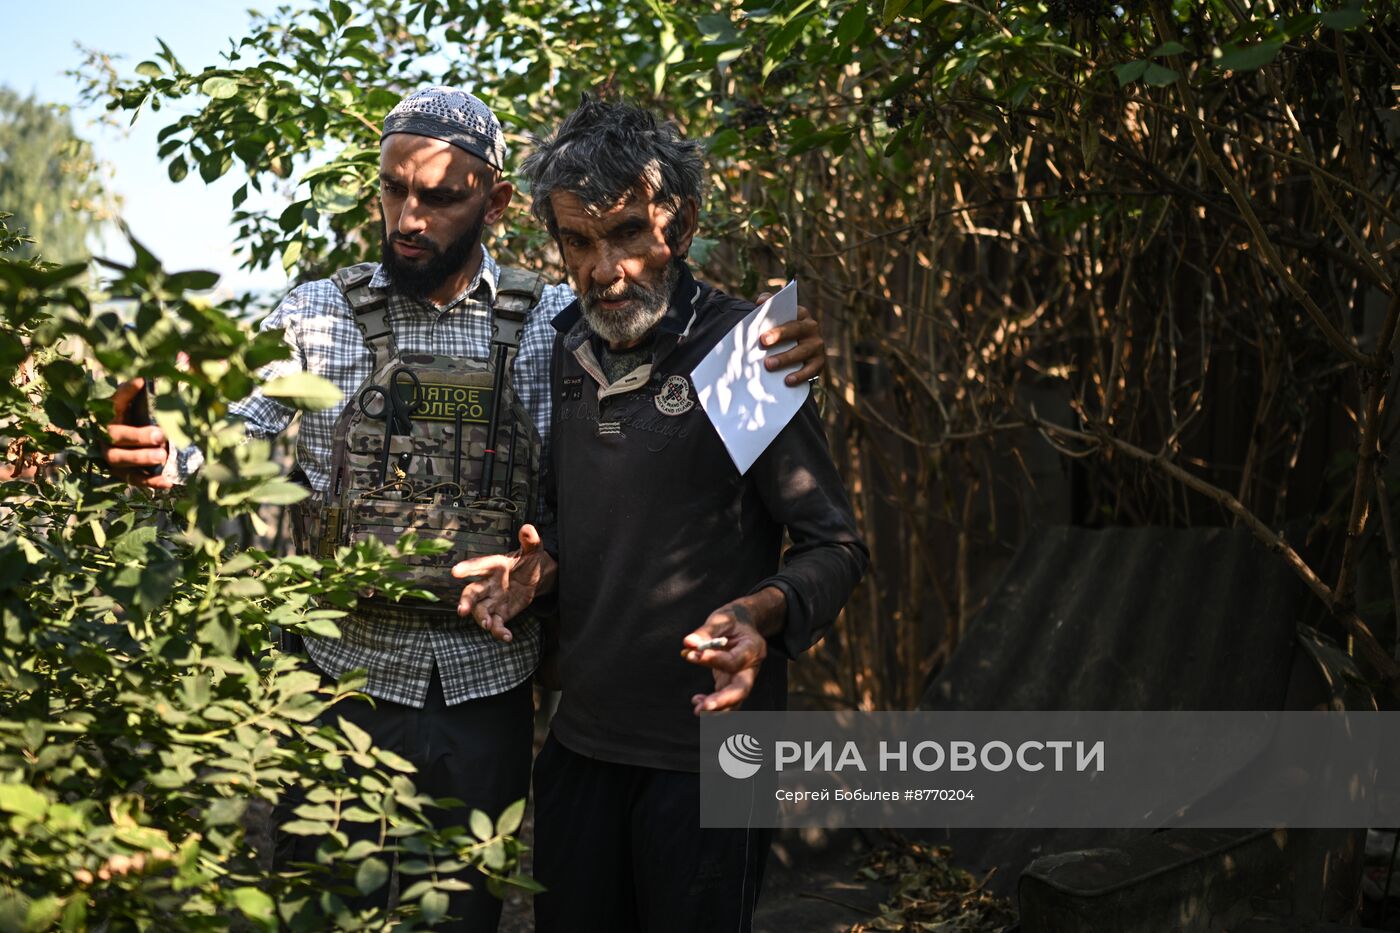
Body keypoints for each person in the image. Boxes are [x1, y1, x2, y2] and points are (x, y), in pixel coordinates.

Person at [100, 87, 828, 930]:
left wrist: (778, 348)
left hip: (489, 692)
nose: (409, 217)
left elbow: (658, 356)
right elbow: (236, 447)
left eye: (441, 196)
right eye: (393, 190)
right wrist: (168, 461)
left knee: (461, 913)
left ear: (497, 200)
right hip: (338, 680)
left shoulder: (557, 321)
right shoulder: (317, 314)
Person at [453, 96, 868, 933]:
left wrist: (761, 611)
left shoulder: (748, 354)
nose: (605, 269)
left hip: (710, 759)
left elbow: (836, 545)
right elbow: (591, 522)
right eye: (578, 241)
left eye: (628, 233)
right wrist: (541, 565)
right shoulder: (564, 345)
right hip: (578, 752)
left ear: (677, 226)